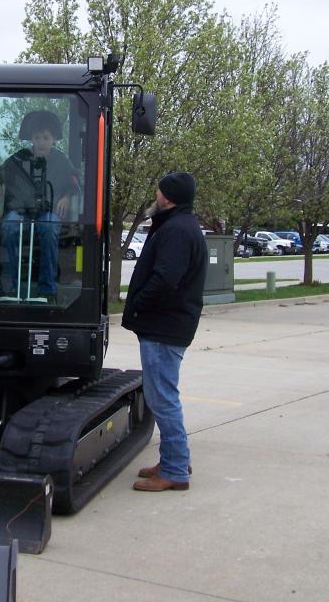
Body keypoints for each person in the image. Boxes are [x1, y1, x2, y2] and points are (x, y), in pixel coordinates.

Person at [122, 171, 207, 491]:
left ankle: (174, 471)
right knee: (163, 397)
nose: (155, 196)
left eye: (159, 192)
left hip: (164, 327)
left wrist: (140, 304)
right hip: (167, 325)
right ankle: (174, 458)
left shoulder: (177, 230)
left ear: (168, 196)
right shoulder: (180, 225)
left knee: (162, 399)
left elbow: (165, 279)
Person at [0, 110, 79, 300]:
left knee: (49, 228)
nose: (41, 142)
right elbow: (0, 172)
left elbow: (74, 185)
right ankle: (9, 287)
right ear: (31, 138)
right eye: (37, 137)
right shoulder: (19, 158)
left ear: (53, 139)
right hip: (19, 211)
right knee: (9, 227)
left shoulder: (62, 161)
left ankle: (48, 288)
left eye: (45, 138)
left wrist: (66, 197)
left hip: (47, 213)